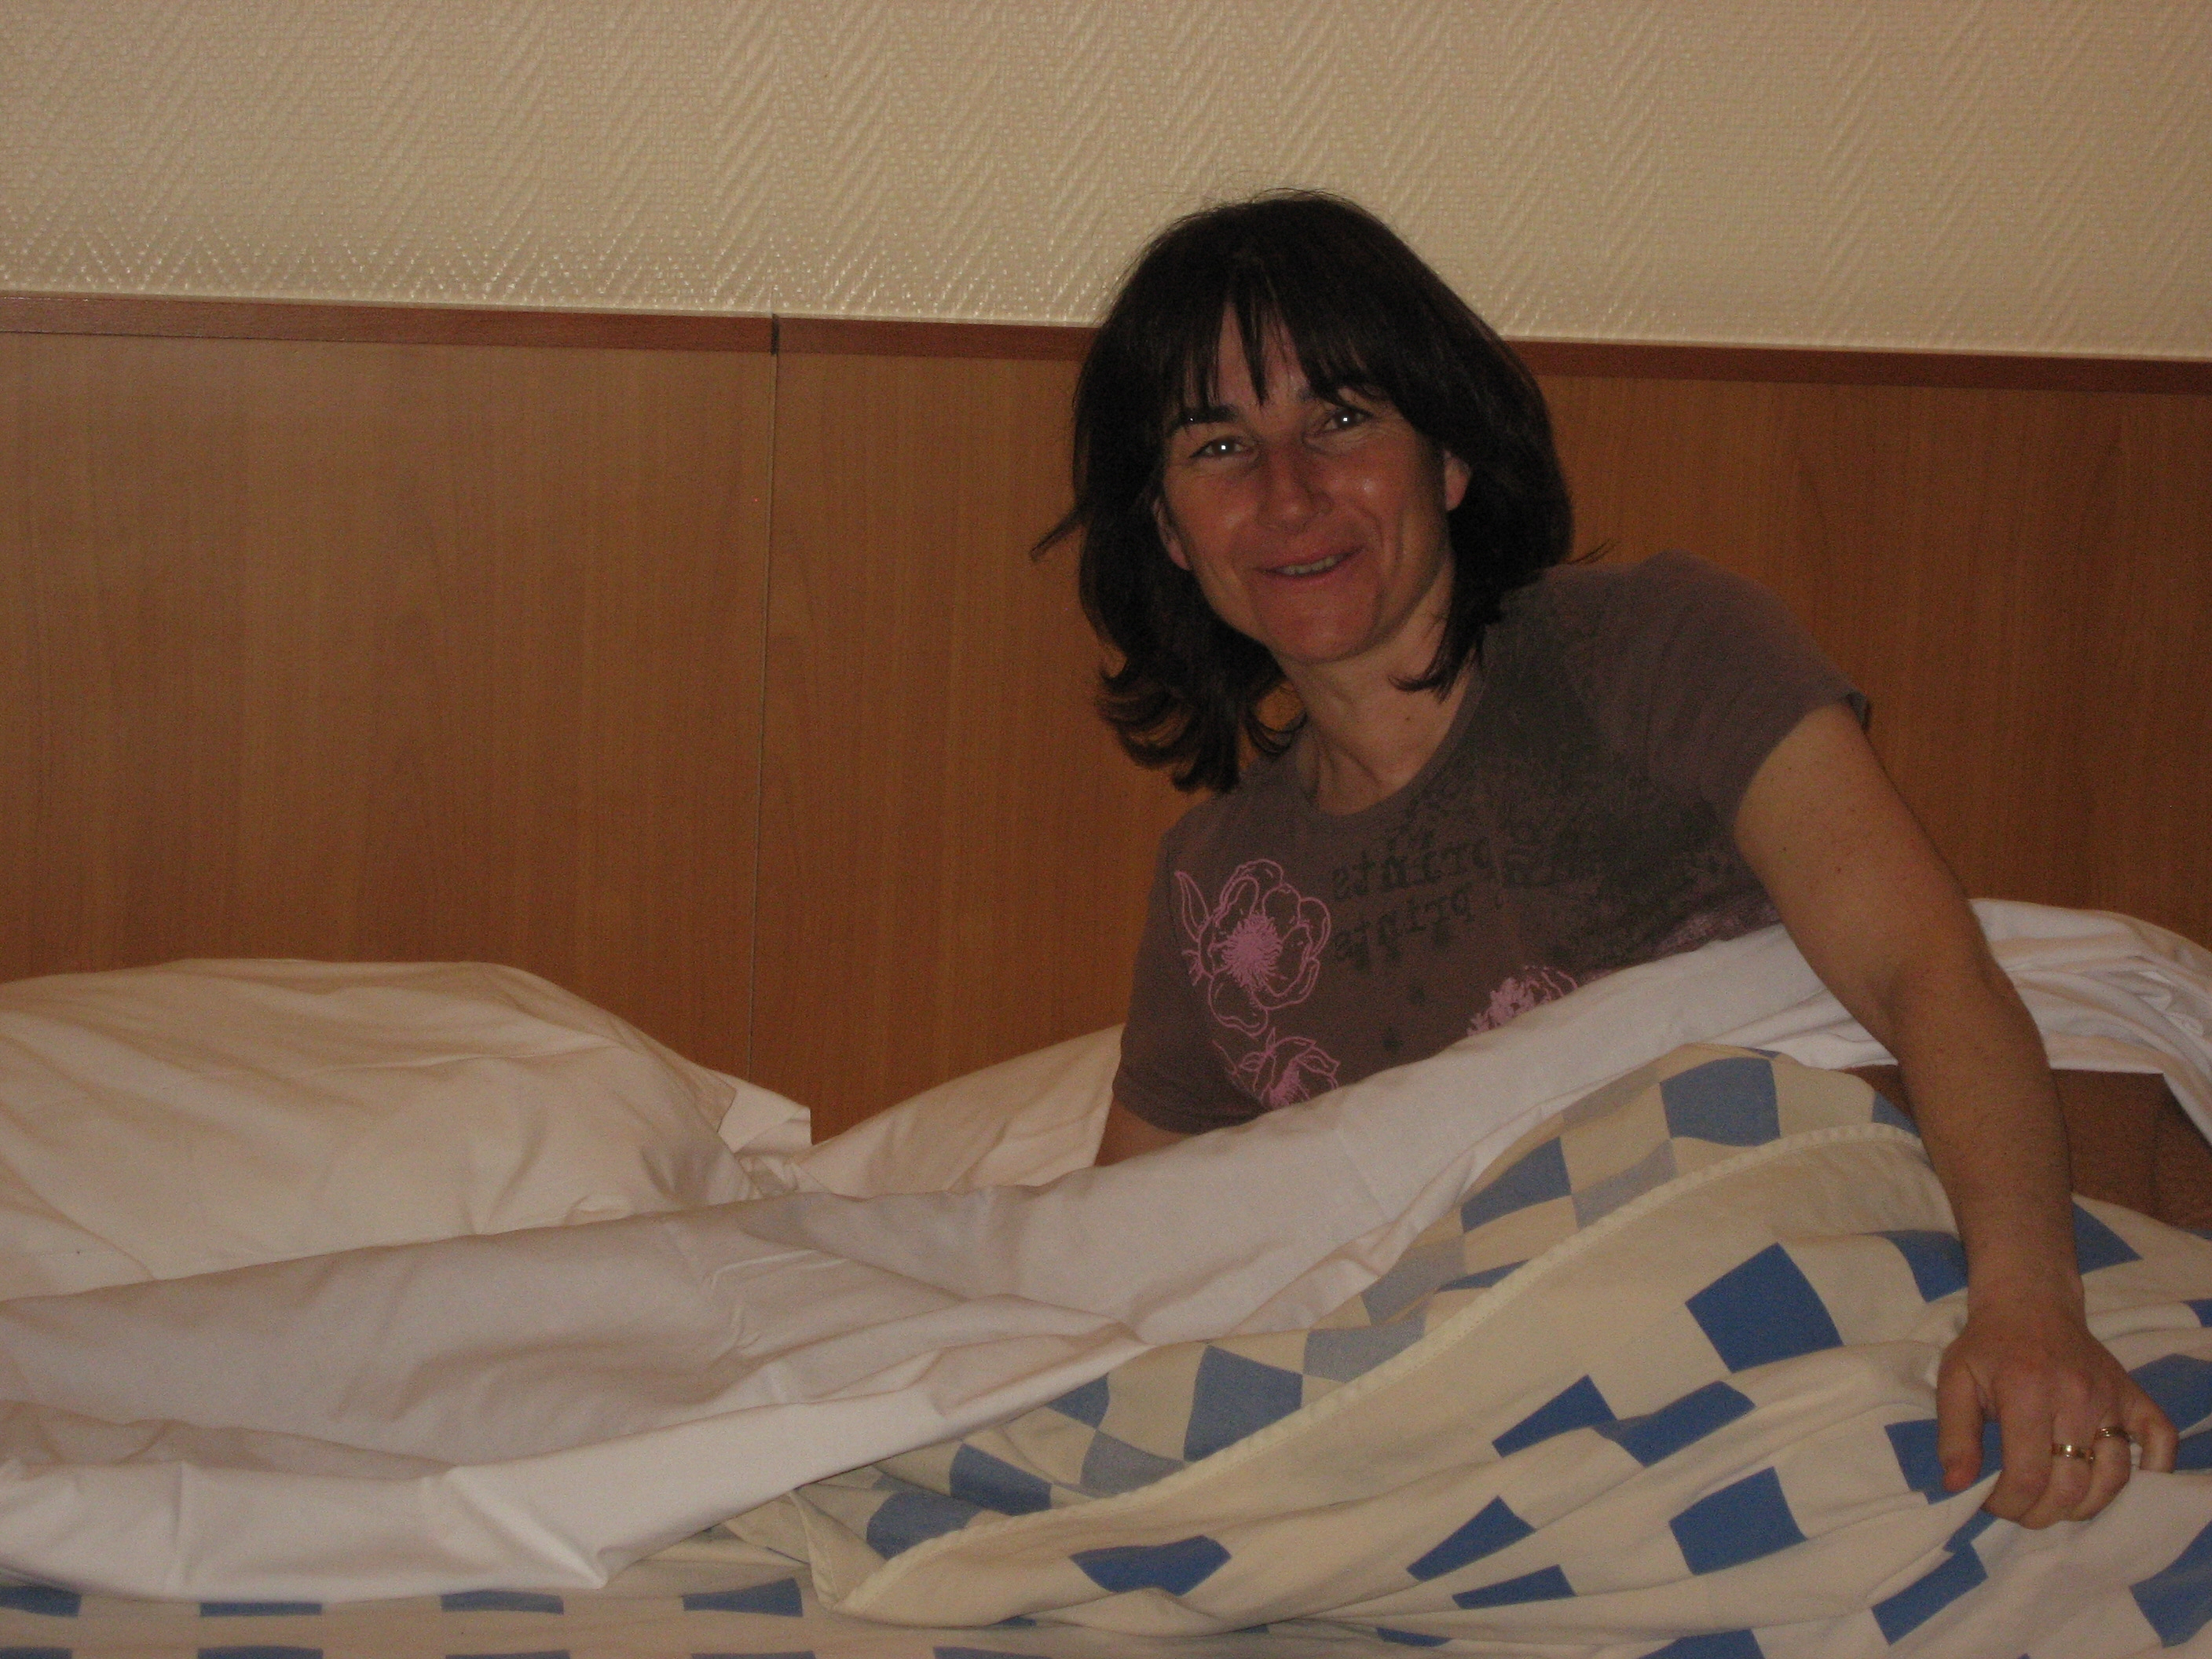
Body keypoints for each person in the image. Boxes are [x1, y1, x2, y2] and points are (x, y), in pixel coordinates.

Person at [1038, 191, 2174, 1529]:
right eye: (1221, 445)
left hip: (1864, 1297)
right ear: (1170, 531)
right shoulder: (1220, 893)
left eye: (1342, 418)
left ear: (1449, 459)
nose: (1289, 493)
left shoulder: (1655, 651)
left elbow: (1924, 972)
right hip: (1523, 1434)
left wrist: (2031, 1312)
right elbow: (1127, 1259)